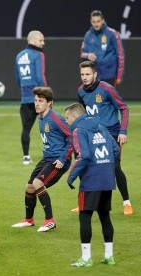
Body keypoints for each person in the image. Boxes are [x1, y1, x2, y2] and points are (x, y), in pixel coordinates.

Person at [65, 103, 119, 267]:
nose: (67, 121)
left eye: (67, 118)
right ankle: (109, 256)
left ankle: (86, 258)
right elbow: (115, 150)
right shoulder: (101, 126)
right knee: (105, 216)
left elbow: (84, 156)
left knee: (85, 216)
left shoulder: (78, 130)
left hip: (90, 180)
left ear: (75, 116)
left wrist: (71, 176)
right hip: (107, 178)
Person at [11, 87, 72, 232]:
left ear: (49, 103)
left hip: (58, 160)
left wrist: (63, 158)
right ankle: (28, 219)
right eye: (35, 101)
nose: (37, 104)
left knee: (37, 183)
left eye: (41, 101)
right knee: (29, 187)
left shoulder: (56, 118)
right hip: (47, 158)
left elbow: (72, 137)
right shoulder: (40, 117)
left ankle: (50, 221)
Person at [77, 60, 132, 215]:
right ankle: (85, 201)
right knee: (87, 167)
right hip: (93, 135)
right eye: (82, 74)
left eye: (87, 74)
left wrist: (123, 131)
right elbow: (83, 113)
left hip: (112, 134)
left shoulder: (107, 89)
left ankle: (126, 202)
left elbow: (124, 108)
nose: (84, 77)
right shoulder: (81, 91)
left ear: (95, 74)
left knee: (114, 168)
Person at [15, 30, 47, 165]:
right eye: (41, 40)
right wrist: (46, 93)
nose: (43, 43)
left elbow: (18, 79)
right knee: (47, 126)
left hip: (25, 98)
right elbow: (40, 76)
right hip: (39, 97)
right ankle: (49, 153)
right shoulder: (39, 55)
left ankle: (26, 157)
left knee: (26, 129)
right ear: (33, 41)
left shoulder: (19, 56)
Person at [80, 10, 125, 87]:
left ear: (103, 21)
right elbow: (82, 54)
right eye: (94, 22)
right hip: (94, 75)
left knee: (108, 98)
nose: (96, 24)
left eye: (98, 21)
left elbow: (120, 55)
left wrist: (119, 75)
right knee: (94, 98)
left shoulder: (112, 34)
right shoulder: (88, 35)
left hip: (109, 74)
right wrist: (88, 55)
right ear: (91, 22)